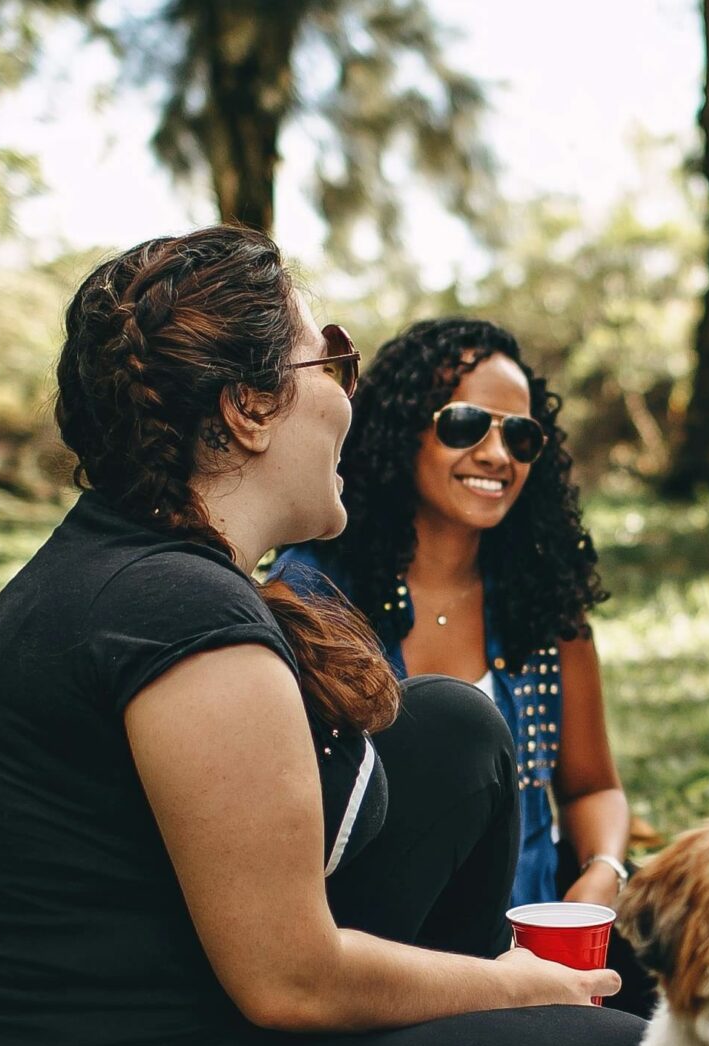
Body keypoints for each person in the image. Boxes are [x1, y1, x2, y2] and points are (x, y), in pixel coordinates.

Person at [0, 227, 650, 1046]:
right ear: (248, 409)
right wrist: (519, 984)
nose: (348, 393)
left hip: (182, 1015)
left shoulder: (150, 568)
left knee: (453, 729)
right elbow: (291, 980)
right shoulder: (173, 613)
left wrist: (517, 996)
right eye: (329, 357)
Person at [270, 319, 635, 915]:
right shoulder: (313, 594)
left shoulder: (542, 597)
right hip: (384, 952)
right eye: (464, 425)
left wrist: (603, 872)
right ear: (401, 430)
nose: (495, 455)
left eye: (520, 436)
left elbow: (593, 787)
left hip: (537, 943)